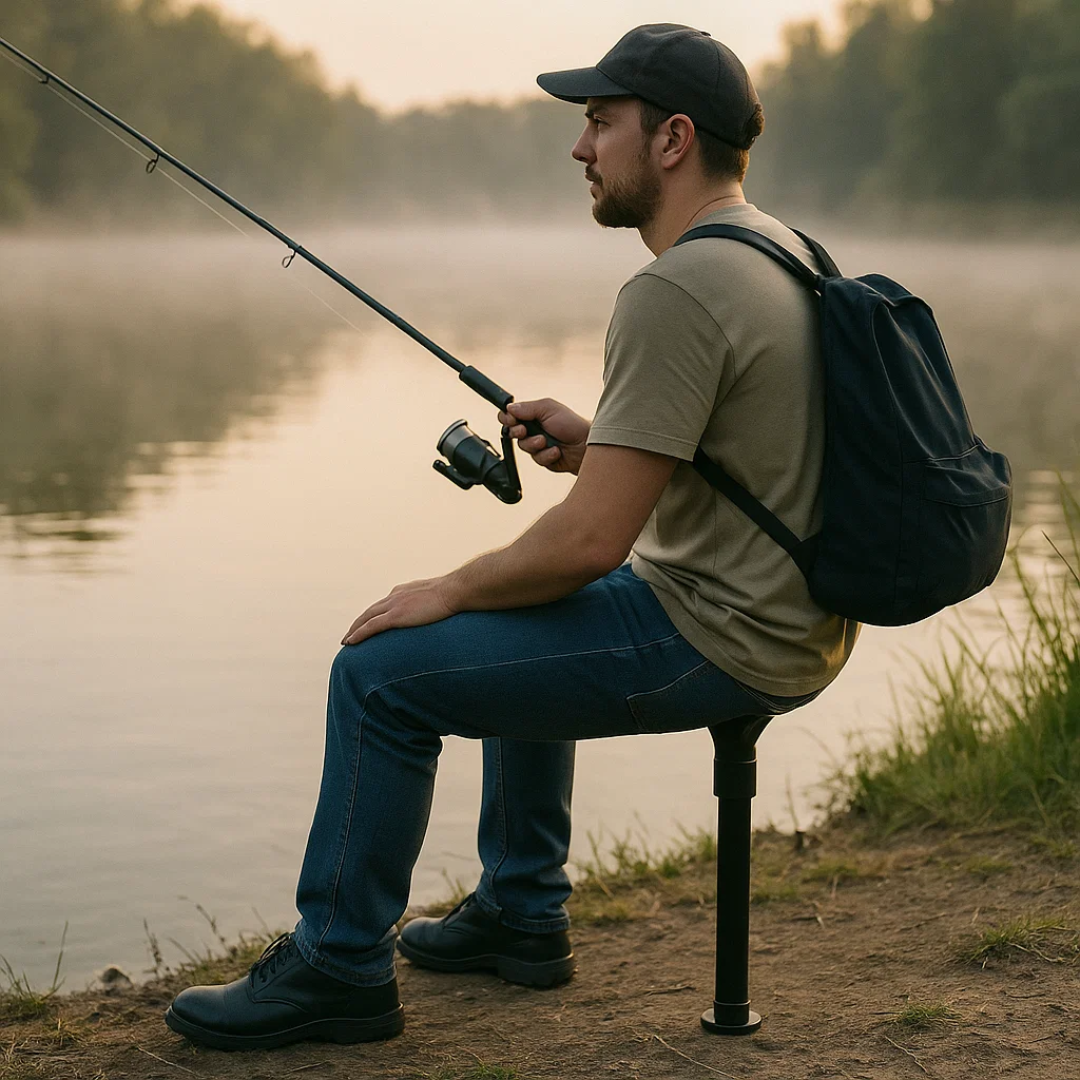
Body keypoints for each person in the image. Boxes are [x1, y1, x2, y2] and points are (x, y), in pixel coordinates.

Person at [164, 22, 860, 1052]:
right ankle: (523, 912)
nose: (580, 149)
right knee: (530, 603)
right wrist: (599, 446)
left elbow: (587, 547)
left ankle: (338, 968)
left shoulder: (677, 289)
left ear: (671, 140)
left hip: (726, 638)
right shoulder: (781, 251)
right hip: (796, 616)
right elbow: (746, 455)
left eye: (597, 123)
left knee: (382, 670)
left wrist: (447, 588)